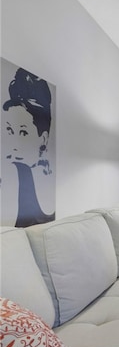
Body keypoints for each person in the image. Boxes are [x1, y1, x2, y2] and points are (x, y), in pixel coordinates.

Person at [2, 67, 55, 227]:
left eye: (24, 133)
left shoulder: (19, 171)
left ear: (43, 139)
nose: (14, 146)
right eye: (10, 130)